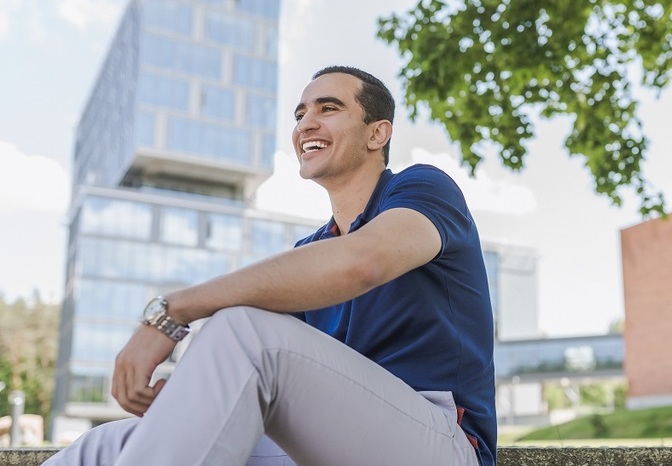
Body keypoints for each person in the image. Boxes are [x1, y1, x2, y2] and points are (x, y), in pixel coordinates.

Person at [45, 66, 497, 466]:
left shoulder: (423, 189)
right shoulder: (312, 248)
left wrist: (173, 312)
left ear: (377, 134)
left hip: (443, 444)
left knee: (245, 329)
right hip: (324, 441)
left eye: (329, 107)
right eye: (299, 114)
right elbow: (253, 361)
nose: (307, 123)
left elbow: (364, 261)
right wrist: (187, 399)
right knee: (103, 447)